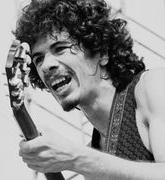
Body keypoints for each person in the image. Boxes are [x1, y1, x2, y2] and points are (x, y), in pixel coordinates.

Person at [13, 0, 165, 179]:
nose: (46, 66)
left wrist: (77, 159)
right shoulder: (94, 160)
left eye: (60, 48)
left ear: (101, 52)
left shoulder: (154, 86)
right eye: (38, 59)